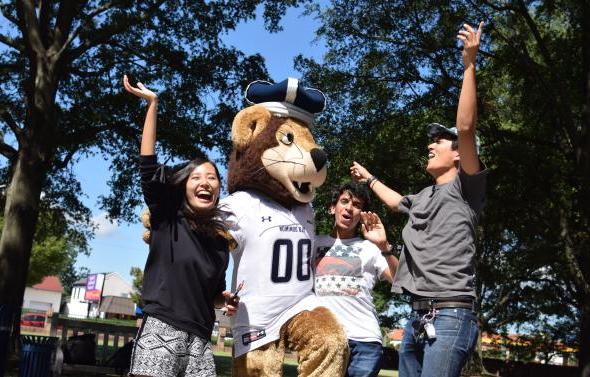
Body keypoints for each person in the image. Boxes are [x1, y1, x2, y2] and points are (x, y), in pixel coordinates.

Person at [350, 22, 486, 377]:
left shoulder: (467, 188)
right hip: (417, 316)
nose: (431, 144)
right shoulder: (424, 196)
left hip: (451, 315)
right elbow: (397, 202)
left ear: (459, 155)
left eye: (440, 140)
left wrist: (469, 64)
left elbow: (467, 127)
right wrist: (371, 179)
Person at [123, 75, 238, 377]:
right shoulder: (168, 217)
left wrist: (223, 299)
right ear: (184, 186)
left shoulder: (220, 241)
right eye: (196, 177)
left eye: (212, 177)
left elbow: (213, 293)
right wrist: (152, 104)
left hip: (201, 340)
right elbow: (147, 166)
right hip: (162, 330)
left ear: (218, 191)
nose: (205, 182)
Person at [315, 182, 399, 377]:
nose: (350, 208)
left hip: (365, 342)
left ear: (362, 214)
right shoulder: (313, 243)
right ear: (331, 207)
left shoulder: (371, 248)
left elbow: (399, 280)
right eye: (344, 201)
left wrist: (384, 245)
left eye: (357, 205)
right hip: (325, 339)